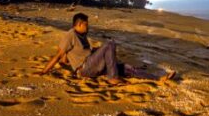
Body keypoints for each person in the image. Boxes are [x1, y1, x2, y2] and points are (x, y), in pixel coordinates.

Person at [39, 12, 175, 85]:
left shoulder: (82, 35)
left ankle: (158, 79)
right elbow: (58, 56)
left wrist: (96, 51)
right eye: (86, 24)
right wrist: (43, 72)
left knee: (127, 68)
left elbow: (69, 57)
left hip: (93, 64)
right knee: (110, 43)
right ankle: (112, 78)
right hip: (85, 68)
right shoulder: (70, 35)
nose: (88, 27)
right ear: (79, 24)